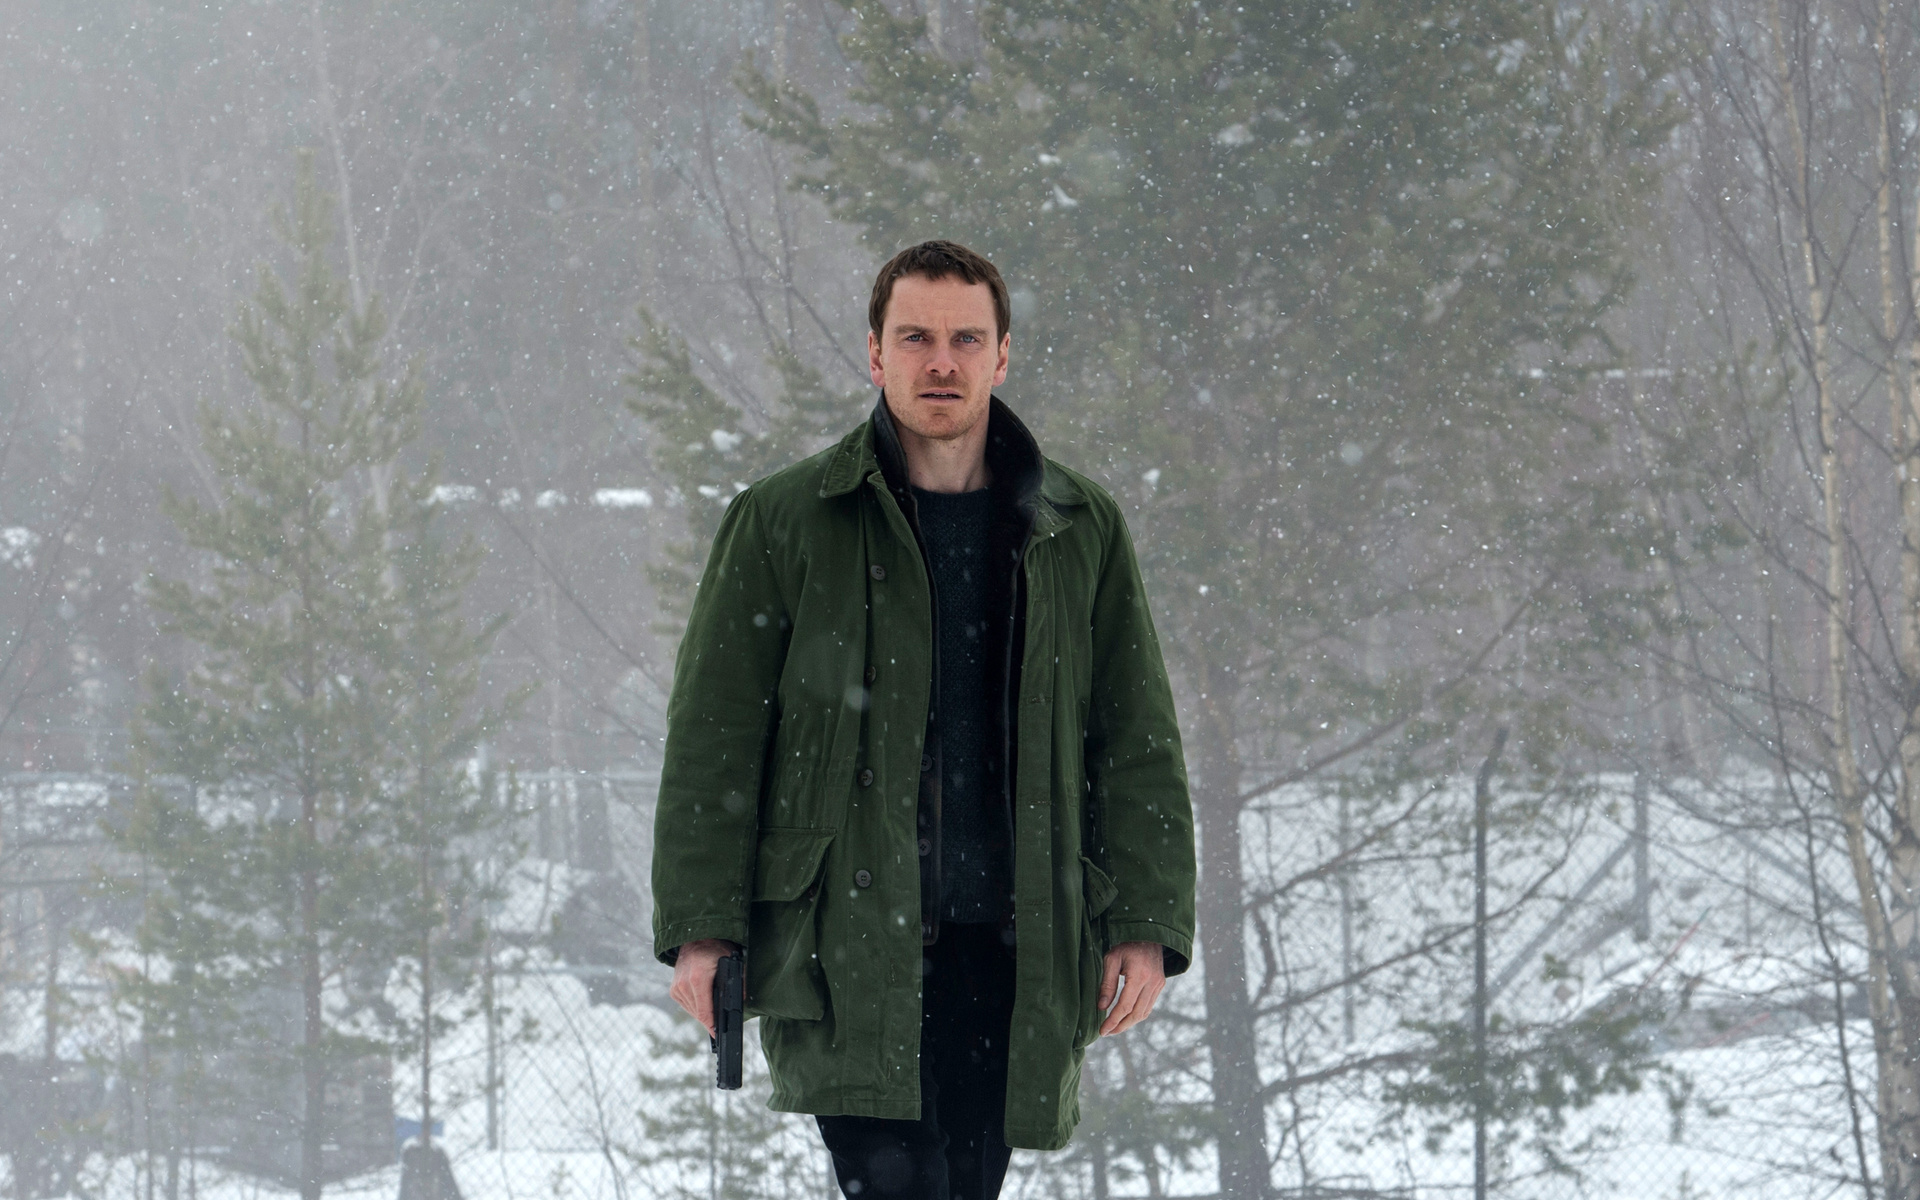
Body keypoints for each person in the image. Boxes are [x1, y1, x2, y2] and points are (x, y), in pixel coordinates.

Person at [650, 240, 1196, 1200]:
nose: (941, 361)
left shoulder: (1078, 526)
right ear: (875, 353)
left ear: (1002, 354)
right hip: (847, 939)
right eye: (915, 338)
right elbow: (715, 739)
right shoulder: (786, 519)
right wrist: (703, 928)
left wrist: (1146, 923)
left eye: (964, 339)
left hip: (1016, 948)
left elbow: (1135, 737)